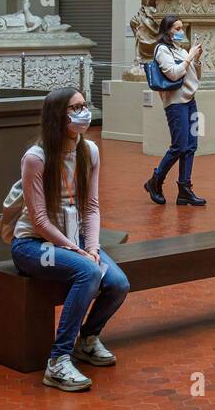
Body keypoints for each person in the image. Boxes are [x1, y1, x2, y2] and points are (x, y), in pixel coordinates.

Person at [11, 87, 130, 392]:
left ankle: (87, 340)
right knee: (88, 271)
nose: (83, 113)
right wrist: (78, 252)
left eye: (84, 106)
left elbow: (91, 207)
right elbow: (39, 219)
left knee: (118, 283)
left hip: (76, 241)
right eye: (74, 109)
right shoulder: (36, 158)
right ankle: (58, 361)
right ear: (56, 117)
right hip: (34, 245)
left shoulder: (89, 150)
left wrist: (91, 247)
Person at [143, 14, 207, 206]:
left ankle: (184, 190)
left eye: (182, 28)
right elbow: (173, 74)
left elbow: (196, 76)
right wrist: (190, 57)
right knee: (179, 145)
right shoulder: (162, 49)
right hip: (176, 103)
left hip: (191, 101)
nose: (181, 32)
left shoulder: (180, 49)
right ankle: (155, 180)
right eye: (177, 29)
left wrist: (197, 59)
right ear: (167, 30)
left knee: (191, 146)